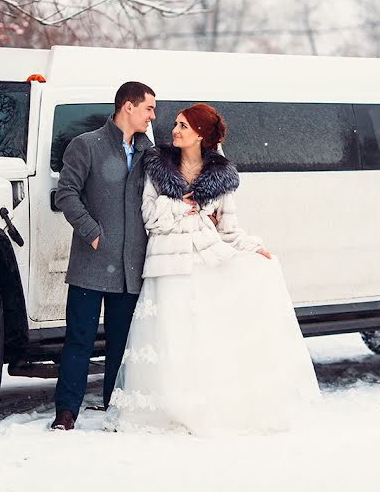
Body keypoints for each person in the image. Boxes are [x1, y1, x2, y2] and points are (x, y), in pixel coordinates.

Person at [104, 103, 320, 435]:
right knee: (169, 340)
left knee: (197, 340)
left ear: (201, 134)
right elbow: (150, 217)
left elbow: (229, 231)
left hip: (204, 263)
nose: (174, 130)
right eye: (175, 124)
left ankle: (199, 406)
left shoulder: (221, 177)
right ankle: (168, 408)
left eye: (183, 126)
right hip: (166, 265)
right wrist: (180, 204)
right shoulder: (157, 167)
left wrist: (253, 248)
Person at [50, 81, 156, 431]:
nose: (152, 115)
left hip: (130, 267)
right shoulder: (87, 145)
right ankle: (66, 411)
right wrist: (92, 233)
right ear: (128, 106)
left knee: (122, 343)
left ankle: (116, 407)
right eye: (148, 108)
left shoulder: (148, 152)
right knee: (79, 339)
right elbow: (66, 193)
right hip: (91, 265)